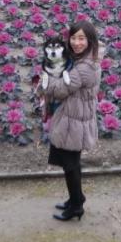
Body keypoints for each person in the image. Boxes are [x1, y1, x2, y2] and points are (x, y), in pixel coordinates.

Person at [42, 20, 100, 222]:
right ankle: (76, 198)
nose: (76, 42)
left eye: (82, 38)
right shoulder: (79, 59)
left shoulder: (85, 68)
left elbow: (58, 91)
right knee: (70, 163)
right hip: (71, 118)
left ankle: (76, 206)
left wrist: (46, 82)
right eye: (73, 37)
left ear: (90, 40)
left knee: (71, 164)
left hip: (75, 122)